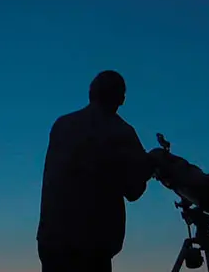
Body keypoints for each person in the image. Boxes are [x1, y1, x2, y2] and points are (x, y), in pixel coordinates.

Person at [37, 70, 156, 272]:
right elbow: (134, 190)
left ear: (91, 93)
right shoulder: (121, 132)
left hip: (52, 239)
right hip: (92, 246)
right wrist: (149, 166)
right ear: (121, 99)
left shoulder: (62, 125)